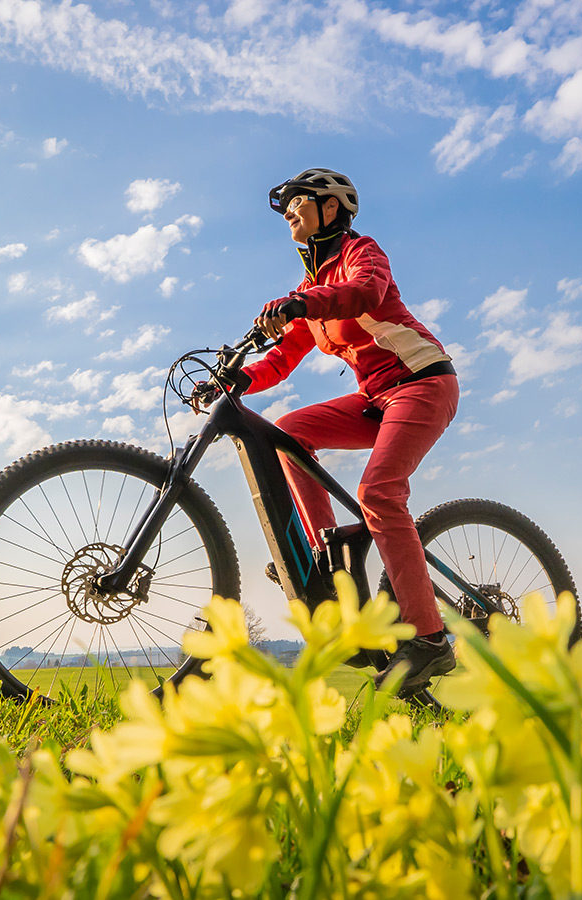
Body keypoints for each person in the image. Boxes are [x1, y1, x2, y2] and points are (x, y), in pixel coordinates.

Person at [231, 167, 460, 697]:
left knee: (379, 492)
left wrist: (302, 304)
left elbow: (364, 294)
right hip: (373, 398)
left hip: (422, 382)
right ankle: (326, 559)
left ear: (329, 209)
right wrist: (236, 378)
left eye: (297, 202)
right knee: (288, 431)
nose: (287, 211)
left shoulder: (362, 253)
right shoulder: (309, 289)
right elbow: (282, 358)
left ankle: (429, 640)